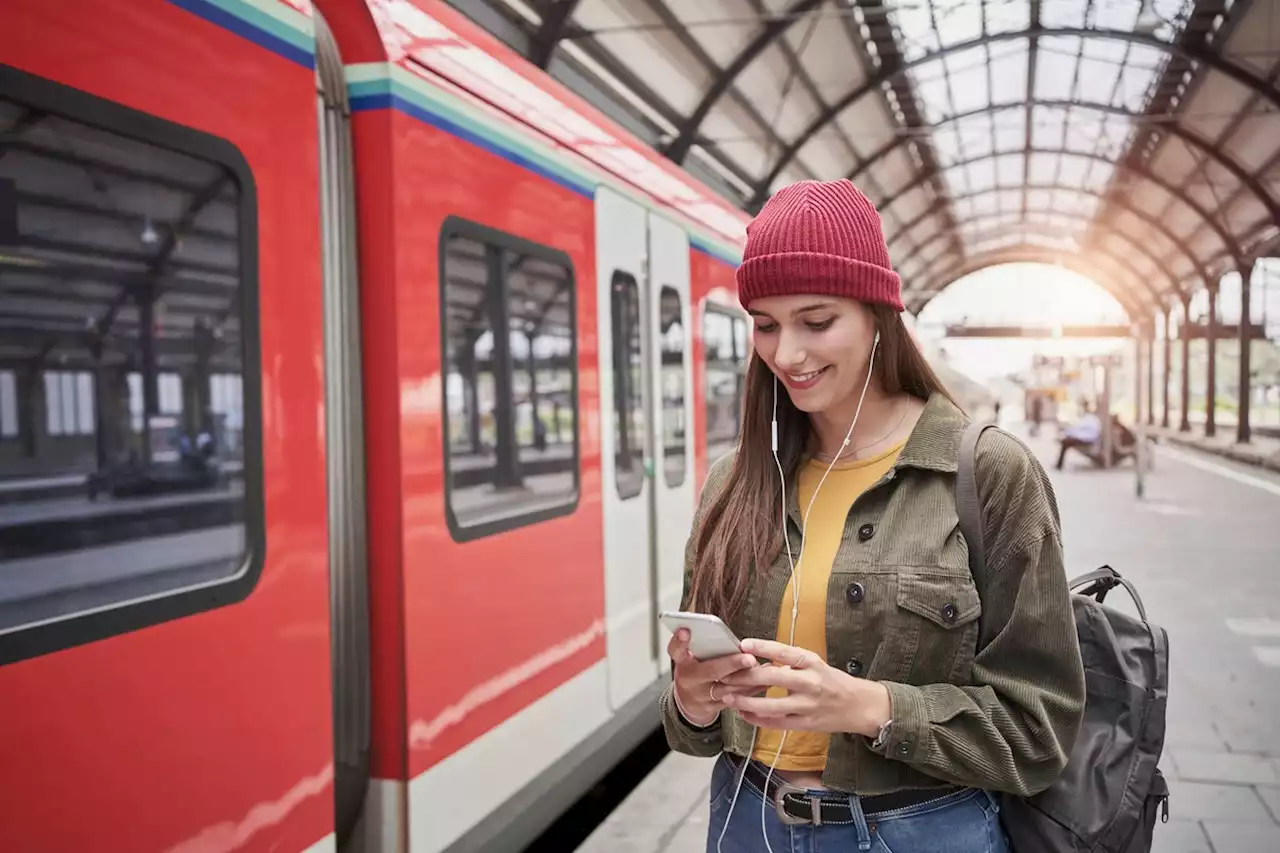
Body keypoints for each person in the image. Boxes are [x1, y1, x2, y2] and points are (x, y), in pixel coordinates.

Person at [658, 180, 1085, 853]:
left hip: (918, 831)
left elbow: (1040, 728)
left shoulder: (989, 474)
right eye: (765, 324)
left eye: (816, 320)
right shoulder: (735, 482)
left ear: (878, 313)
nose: (787, 353)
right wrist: (692, 697)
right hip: (745, 820)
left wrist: (870, 707)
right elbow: (690, 730)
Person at [1055, 402, 1101, 470]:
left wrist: (1071, 434)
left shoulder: (1091, 419)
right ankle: (1058, 465)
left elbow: (1085, 433)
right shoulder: (1088, 418)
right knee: (1066, 442)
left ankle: (1059, 465)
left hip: (1087, 440)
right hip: (1084, 438)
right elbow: (1078, 430)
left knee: (1065, 442)